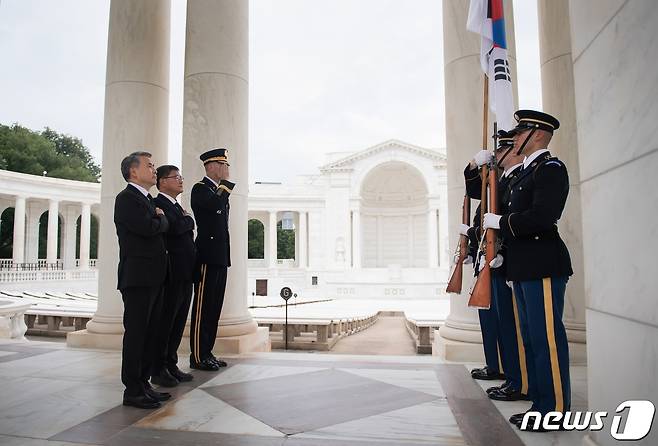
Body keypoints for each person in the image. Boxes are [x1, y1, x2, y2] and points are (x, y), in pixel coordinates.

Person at [483, 110, 573, 432]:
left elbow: (542, 217)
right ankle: (540, 401)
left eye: (521, 132)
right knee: (532, 339)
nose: (515, 138)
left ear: (537, 134)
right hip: (523, 266)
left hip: (542, 263)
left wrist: (502, 223)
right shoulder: (525, 173)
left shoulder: (550, 169)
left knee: (546, 339)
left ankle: (555, 411)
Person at [114, 151, 171, 409]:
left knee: (150, 332)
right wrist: (159, 218)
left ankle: (144, 383)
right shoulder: (126, 199)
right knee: (137, 334)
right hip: (137, 277)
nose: (154, 169)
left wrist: (158, 218)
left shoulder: (146, 200)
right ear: (133, 171)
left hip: (154, 276)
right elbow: (150, 228)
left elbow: (161, 225)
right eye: (149, 165)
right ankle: (133, 389)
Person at [189, 148, 235, 371]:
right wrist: (225, 185)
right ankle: (197, 355)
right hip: (207, 256)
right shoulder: (201, 189)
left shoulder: (217, 190)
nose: (227, 169)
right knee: (202, 308)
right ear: (212, 166)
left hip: (219, 256)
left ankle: (207, 352)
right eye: (223, 165)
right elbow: (215, 206)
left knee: (214, 308)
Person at [151, 165, 197, 387]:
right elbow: (178, 228)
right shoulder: (158, 204)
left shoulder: (175, 206)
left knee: (178, 322)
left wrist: (186, 221)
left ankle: (171, 364)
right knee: (166, 323)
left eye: (181, 176)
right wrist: (187, 221)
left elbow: (185, 225)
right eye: (175, 177)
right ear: (162, 182)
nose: (180, 180)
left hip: (185, 273)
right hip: (171, 273)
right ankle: (159, 368)